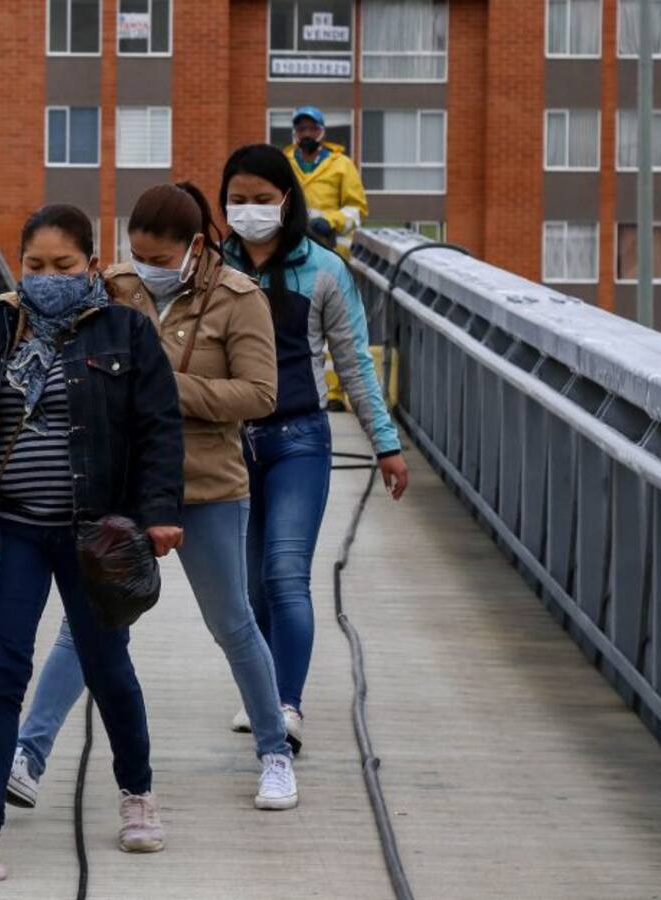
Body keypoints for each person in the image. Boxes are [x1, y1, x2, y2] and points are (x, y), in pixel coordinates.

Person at [0, 204, 184, 884]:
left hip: (94, 534)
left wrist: (158, 513)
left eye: (64, 267)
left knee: (107, 668)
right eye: (35, 267)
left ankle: (138, 795)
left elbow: (161, 430)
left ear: (92, 267)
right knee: (0, 674)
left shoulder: (128, 333)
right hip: (9, 528)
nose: (48, 278)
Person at [7, 182, 301, 815]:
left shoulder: (239, 299)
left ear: (195, 248)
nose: (146, 267)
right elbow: (48, 327)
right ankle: (28, 756)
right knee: (83, 631)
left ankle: (275, 753)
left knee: (233, 625)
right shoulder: (113, 286)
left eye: (160, 258)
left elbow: (258, 395)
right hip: (119, 485)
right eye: (136, 254)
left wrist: (163, 385)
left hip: (205, 484)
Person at [221, 144, 408, 751]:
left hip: (299, 439)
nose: (249, 211)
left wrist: (385, 444)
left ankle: (285, 705)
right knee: (249, 588)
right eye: (238, 200)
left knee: (285, 574)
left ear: (287, 200)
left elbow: (353, 364)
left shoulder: (324, 269)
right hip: (229, 446)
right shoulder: (212, 269)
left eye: (262, 199)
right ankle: (261, 691)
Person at [284, 106, 368, 259]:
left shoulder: (342, 164)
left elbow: (357, 210)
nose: (307, 134)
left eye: (313, 129)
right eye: (302, 129)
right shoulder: (284, 163)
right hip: (291, 248)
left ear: (322, 131)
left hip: (331, 250)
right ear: (295, 133)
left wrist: (330, 221)